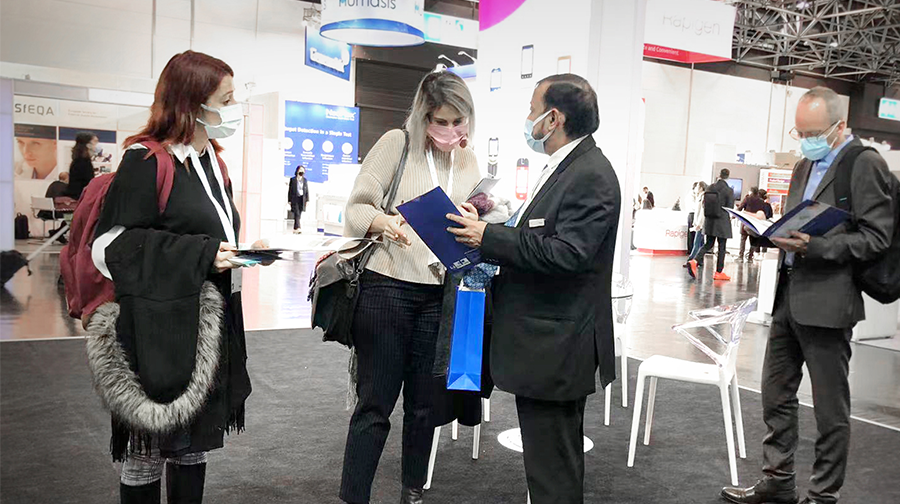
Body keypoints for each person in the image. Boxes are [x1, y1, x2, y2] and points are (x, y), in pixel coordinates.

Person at [88, 51, 259, 504]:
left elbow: (206, 232)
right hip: (157, 328)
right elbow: (112, 247)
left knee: (192, 445)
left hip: (205, 324)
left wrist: (234, 251)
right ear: (191, 103)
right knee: (146, 452)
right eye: (226, 99)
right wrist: (202, 255)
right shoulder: (147, 159)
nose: (235, 108)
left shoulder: (211, 160)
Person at [446, 74, 621, 504]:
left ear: (553, 118)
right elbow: (541, 237)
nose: (528, 119)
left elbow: (568, 255)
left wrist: (488, 237)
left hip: (556, 348)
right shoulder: (566, 168)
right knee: (549, 466)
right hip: (544, 345)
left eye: (532, 110)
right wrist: (492, 228)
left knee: (552, 472)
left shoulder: (590, 174)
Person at [722, 87, 895, 504]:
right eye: (800, 133)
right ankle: (778, 481)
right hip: (788, 297)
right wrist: (767, 231)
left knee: (829, 408)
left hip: (829, 303)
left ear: (840, 127)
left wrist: (815, 248)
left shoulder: (864, 164)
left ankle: (823, 495)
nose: (805, 141)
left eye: (814, 133)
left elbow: (876, 237)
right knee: (775, 395)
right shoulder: (803, 165)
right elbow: (798, 223)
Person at [340, 70, 481, 504]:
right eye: (441, 121)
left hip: (440, 295)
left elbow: (476, 213)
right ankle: (355, 496)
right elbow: (355, 210)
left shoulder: (468, 159)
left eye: (459, 121)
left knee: (424, 407)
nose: (451, 131)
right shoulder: (396, 144)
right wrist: (385, 222)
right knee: (375, 404)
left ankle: (412, 493)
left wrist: (477, 219)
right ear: (423, 117)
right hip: (387, 289)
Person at [688, 169, 735, 281]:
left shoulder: (710, 188)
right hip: (722, 222)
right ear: (728, 177)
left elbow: (704, 204)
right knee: (722, 247)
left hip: (709, 221)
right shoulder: (728, 190)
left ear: (719, 175)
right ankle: (719, 272)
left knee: (708, 244)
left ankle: (694, 260)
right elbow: (730, 207)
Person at [66, 132, 98, 200]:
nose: (96, 146)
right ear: (88, 144)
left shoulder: (77, 161)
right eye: (94, 142)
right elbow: (88, 183)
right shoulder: (84, 162)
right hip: (81, 198)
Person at [737, 186, 766, 262]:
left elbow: (740, 208)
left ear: (751, 191)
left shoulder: (747, 198)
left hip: (745, 222)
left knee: (743, 239)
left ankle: (740, 257)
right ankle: (750, 257)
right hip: (755, 223)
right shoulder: (761, 201)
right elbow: (763, 213)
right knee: (753, 240)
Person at [685, 181, 708, 266]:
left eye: (697, 186)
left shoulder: (703, 197)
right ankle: (699, 260)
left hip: (700, 224)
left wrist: (699, 223)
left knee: (697, 243)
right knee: (699, 242)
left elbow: (702, 212)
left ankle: (691, 261)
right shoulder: (699, 197)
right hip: (699, 223)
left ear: (701, 188)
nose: (696, 188)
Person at [288, 165, 309, 233]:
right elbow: (290, 190)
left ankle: (295, 228)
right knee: (296, 212)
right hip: (295, 198)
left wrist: (307, 200)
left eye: (303, 171)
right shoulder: (293, 180)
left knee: (299, 213)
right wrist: (289, 200)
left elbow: (306, 190)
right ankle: (298, 227)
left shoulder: (304, 180)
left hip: (302, 198)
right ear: (297, 171)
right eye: (300, 170)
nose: (301, 172)